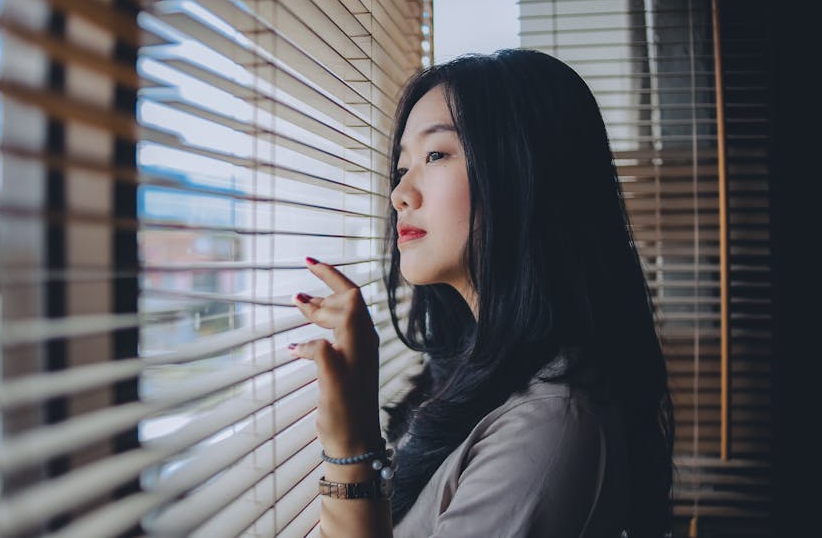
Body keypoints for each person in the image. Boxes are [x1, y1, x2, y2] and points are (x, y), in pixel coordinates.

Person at [288, 49, 674, 537]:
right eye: (402, 167)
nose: (399, 194)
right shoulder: (466, 376)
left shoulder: (547, 426)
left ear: (527, 172)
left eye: (436, 155)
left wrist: (350, 443)